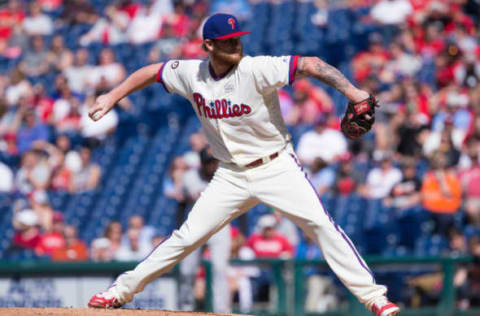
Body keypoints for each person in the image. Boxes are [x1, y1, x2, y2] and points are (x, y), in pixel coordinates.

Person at [87, 13, 400, 316]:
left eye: (237, 38)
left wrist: (354, 92)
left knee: (322, 226)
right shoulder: (191, 74)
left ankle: (375, 300)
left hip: (276, 166)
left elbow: (311, 64)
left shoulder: (256, 68)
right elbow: (154, 71)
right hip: (231, 175)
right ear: (208, 45)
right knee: (187, 237)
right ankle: (119, 292)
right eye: (227, 41)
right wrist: (113, 96)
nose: (235, 44)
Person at [179, 146, 231, 313]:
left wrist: (242, 231)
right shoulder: (190, 177)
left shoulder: (226, 176)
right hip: (195, 226)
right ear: (201, 163)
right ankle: (185, 309)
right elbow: (181, 205)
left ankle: (220, 310)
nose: (212, 165)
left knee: (219, 269)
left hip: (220, 226)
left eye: (214, 162)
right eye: (209, 162)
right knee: (187, 270)